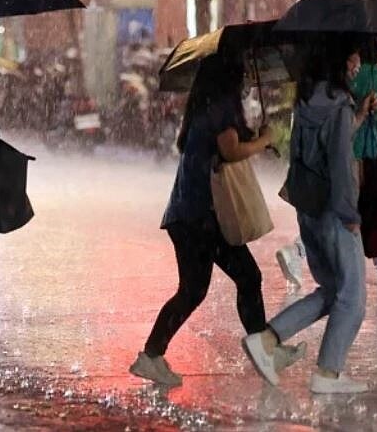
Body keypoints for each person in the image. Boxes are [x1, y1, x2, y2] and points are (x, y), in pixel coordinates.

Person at [129, 55, 303, 388]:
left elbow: (225, 145)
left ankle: (151, 356)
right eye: (242, 74)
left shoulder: (203, 106)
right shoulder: (222, 105)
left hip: (189, 214)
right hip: (201, 217)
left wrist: (253, 135)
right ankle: (263, 348)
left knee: (197, 289)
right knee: (243, 278)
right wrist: (265, 140)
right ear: (229, 77)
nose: (246, 81)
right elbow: (230, 151)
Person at [243, 40, 372, 394]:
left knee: (332, 291)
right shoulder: (338, 106)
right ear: (340, 61)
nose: (357, 63)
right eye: (353, 56)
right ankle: (328, 374)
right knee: (353, 298)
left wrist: (356, 119)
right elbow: (340, 165)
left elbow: (317, 151)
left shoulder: (308, 101)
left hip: (309, 209)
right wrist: (350, 214)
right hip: (334, 211)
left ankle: (268, 339)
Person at [275, 36, 377, 287]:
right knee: (358, 207)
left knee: (361, 205)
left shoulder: (319, 84)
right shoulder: (371, 76)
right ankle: (297, 251)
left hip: (334, 151)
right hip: (359, 150)